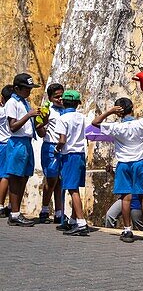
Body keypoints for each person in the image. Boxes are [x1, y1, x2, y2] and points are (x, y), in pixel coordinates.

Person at [92, 80, 143, 243]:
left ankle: (127, 231)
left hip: (123, 164)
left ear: (119, 112)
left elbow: (95, 123)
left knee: (125, 198)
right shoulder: (141, 123)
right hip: (139, 163)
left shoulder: (116, 127)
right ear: (132, 109)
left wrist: (110, 111)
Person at [54, 89, 91, 236]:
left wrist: (57, 149)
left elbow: (62, 140)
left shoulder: (62, 119)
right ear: (77, 103)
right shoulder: (81, 117)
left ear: (63, 101)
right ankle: (73, 220)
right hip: (80, 154)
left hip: (69, 155)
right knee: (75, 187)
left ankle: (81, 222)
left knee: (72, 189)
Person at [4, 72, 39, 226]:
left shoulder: (24, 102)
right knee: (15, 178)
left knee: (24, 176)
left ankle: (16, 210)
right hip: (17, 143)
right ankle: (14, 213)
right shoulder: (12, 103)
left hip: (26, 142)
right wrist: (28, 116)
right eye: (26, 88)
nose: (29, 91)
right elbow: (13, 126)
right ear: (17, 88)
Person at [37, 83, 65, 225]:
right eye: (56, 97)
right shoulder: (47, 111)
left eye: (61, 96)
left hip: (64, 149)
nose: (60, 99)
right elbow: (40, 132)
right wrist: (43, 122)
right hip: (50, 147)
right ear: (50, 98)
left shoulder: (67, 111)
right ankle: (44, 209)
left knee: (60, 180)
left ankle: (59, 213)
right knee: (51, 179)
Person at [0, 83, 14, 217]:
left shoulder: (2, 111)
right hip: (7, 143)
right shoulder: (12, 110)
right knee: (6, 176)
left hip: (2, 143)